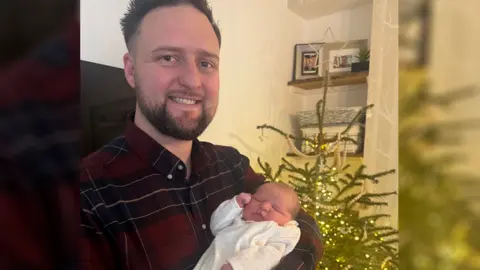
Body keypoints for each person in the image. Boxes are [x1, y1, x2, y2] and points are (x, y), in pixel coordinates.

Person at [80, 0, 323, 269]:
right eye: (168, 58)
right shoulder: (85, 196)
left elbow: (302, 227)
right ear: (131, 70)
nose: (193, 82)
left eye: (206, 63)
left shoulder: (231, 164)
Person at [194, 182, 301, 270]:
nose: (264, 206)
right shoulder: (237, 217)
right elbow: (216, 227)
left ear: (289, 220)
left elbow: (270, 255)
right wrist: (235, 204)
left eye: (276, 208)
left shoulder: (282, 231)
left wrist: (238, 266)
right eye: (259, 200)